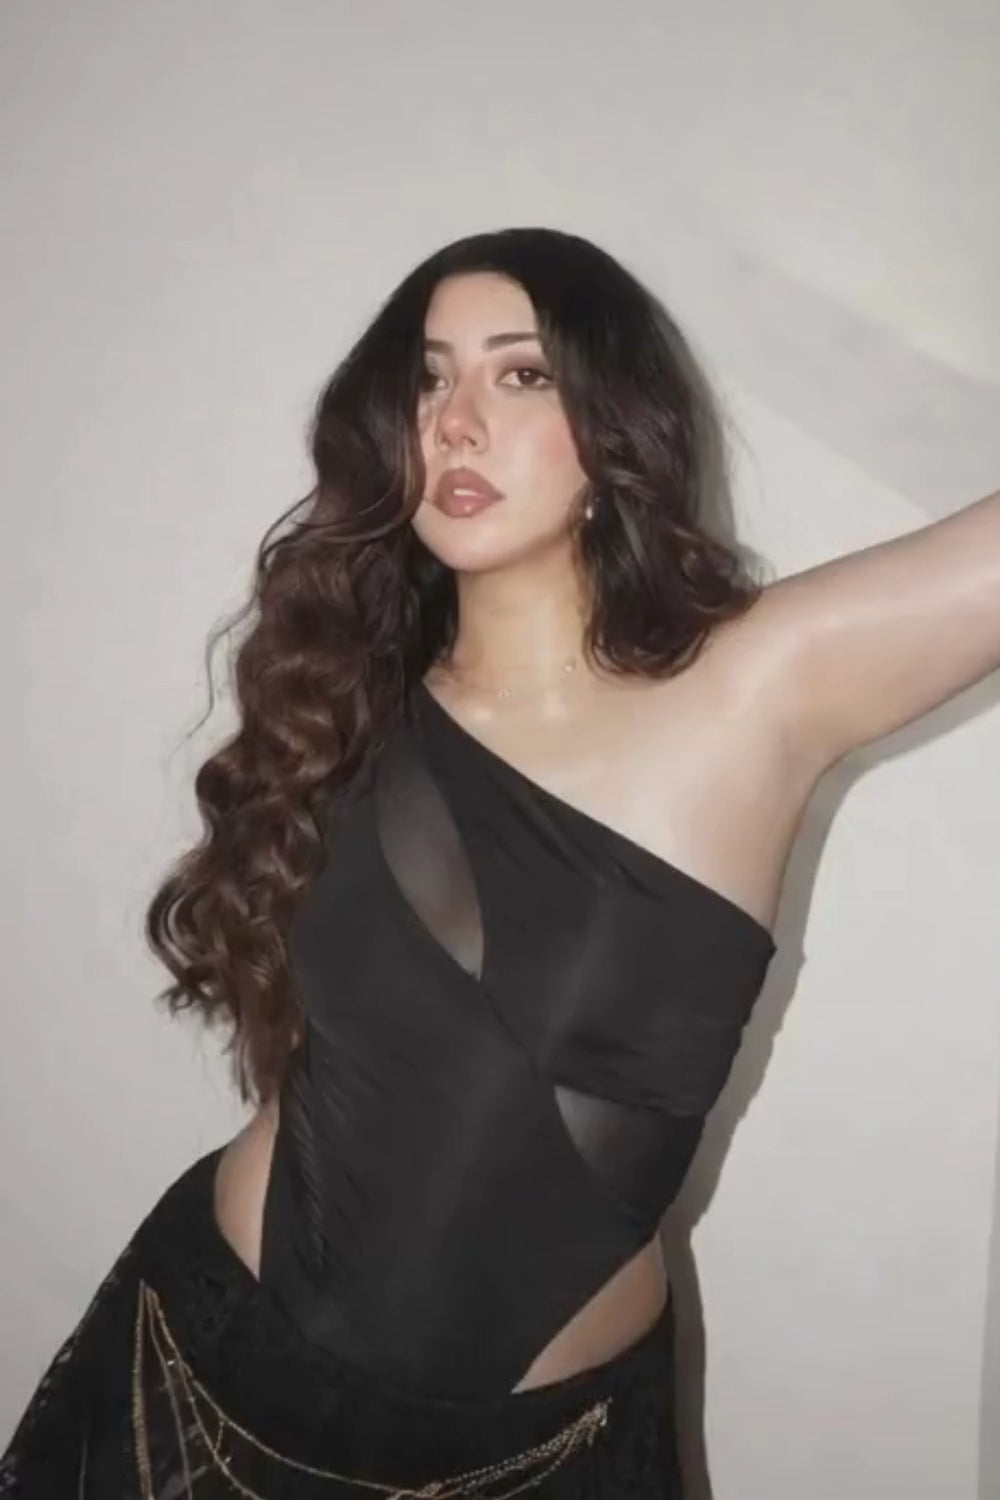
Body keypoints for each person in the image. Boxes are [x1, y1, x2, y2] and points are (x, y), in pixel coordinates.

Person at [2, 226, 998, 1499]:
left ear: (614, 426)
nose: (456, 423)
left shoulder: (757, 688)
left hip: (542, 1461)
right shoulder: (349, 699)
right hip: (201, 1385)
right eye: (428, 378)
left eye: (521, 374)